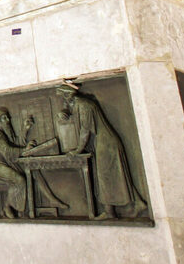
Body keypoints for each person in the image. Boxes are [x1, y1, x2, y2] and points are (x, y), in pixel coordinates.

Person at [57, 84, 147, 219]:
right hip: (101, 143)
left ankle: (111, 212)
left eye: (63, 98)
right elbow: (77, 122)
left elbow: (85, 130)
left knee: (106, 177)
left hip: (106, 143)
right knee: (115, 175)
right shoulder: (78, 105)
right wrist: (65, 113)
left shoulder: (84, 105)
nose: (63, 102)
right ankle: (134, 204)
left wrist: (77, 151)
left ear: (68, 96)